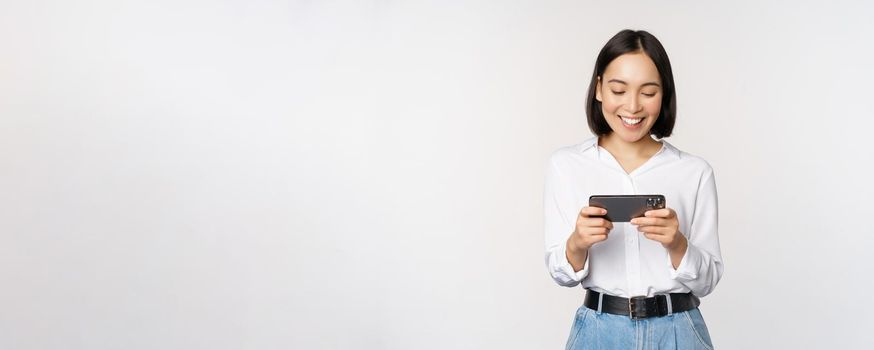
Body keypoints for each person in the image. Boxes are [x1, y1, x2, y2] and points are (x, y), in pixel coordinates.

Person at [544, 29, 724, 349]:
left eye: (648, 92)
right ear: (599, 89)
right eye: (618, 89)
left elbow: (708, 280)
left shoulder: (694, 172)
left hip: (679, 332)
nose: (632, 106)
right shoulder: (567, 165)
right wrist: (578, 242)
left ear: (664, 94)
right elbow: (561, 273)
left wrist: (677, 243)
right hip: (599, 333)